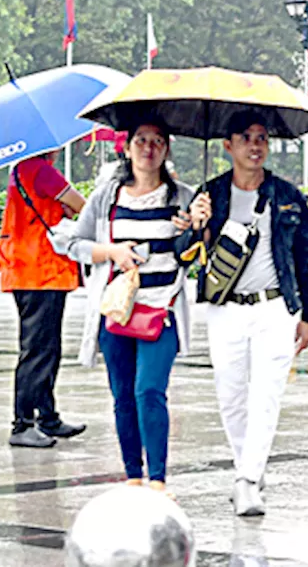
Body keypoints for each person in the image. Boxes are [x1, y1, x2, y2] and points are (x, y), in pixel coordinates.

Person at [180, 111, 308, 517]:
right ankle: (250, 468)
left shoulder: (288, 196)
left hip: (275, 308)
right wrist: (196, 226)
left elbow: (303, 258)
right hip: (226, 309)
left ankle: (246, 480)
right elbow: (185, 256)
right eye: (246, 138)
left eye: (262, 138)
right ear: (228, 146)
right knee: (231, 395)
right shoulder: (210, 194)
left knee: (266, 396)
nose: (255, 145)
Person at [55, 120, 193, 495]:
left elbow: (193, 254)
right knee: (123, 397)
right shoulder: (107, 197)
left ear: (166, 150)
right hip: (117, 312)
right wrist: (110, 252)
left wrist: (195, 228)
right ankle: (133, 473)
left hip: (161, 312)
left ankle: (158, 479)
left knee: (150, 389)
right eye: (141, 141)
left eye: (158, 142)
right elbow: (70, 243)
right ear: (128, 148)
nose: (149, 149)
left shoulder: (183, 196)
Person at [0, 149, 87, 448]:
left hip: (29, 269)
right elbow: (81, 204)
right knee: (37, 350)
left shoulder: (21, 170)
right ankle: (23, 424)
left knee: (45, 347)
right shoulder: (42, 171)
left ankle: (47, 416)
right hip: (40, 271)